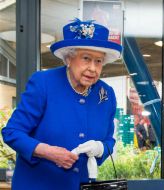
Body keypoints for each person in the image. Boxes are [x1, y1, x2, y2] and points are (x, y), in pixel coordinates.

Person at [1, 18, 122, 190]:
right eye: (86, 58)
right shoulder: (43, 83)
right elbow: (12, 132)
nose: (93, 68)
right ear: (68, 58)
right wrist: (48, 152)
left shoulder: (106, 94)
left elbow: (109, 140)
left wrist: (100, 148)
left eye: (98, 61)